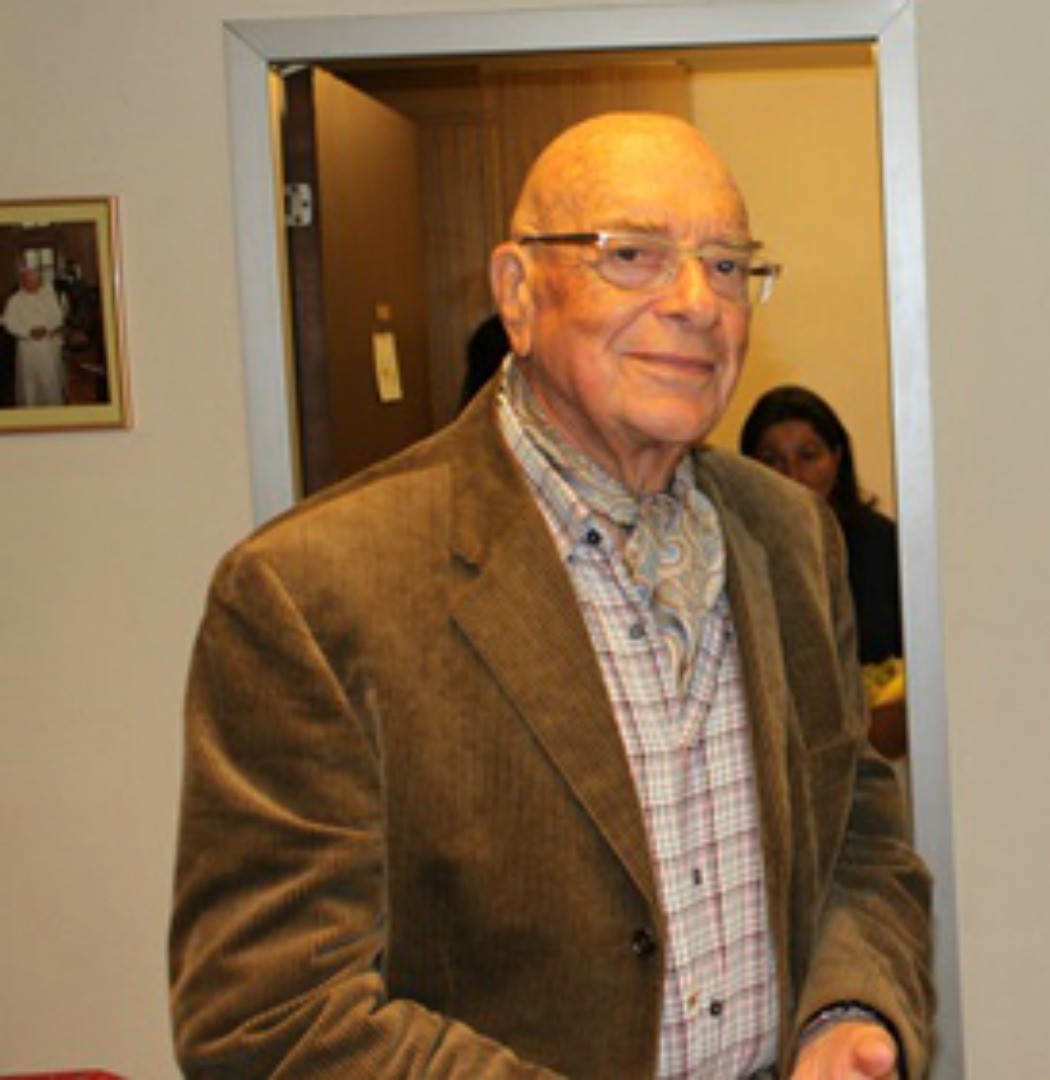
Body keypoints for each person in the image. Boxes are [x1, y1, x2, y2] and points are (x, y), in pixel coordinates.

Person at [172, 113, 932, 1079]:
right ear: (518, 294)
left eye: (729, 266)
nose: (698, 302)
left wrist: (850, 1008)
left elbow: (859, 838)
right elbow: (269, 1018)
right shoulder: (311, 593)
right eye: (635, 255)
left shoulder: (791, 537)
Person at [740, 385, 904, 666]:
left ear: (836, 457)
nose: (793, 475)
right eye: (772, 460)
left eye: (808, 456)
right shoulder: (738, 554)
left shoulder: (881, 543)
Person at [3, 262, 68, 406]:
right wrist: (28, 332)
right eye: (28, 281)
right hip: (28, 348)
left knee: (51, 382)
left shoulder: (49, 295)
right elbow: (9, 323)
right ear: (23, 281)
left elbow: (58, 317)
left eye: (35, 281)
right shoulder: (15, 300)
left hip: (49, 346)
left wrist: (48, 329)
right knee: (30, 385)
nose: (32, 284)